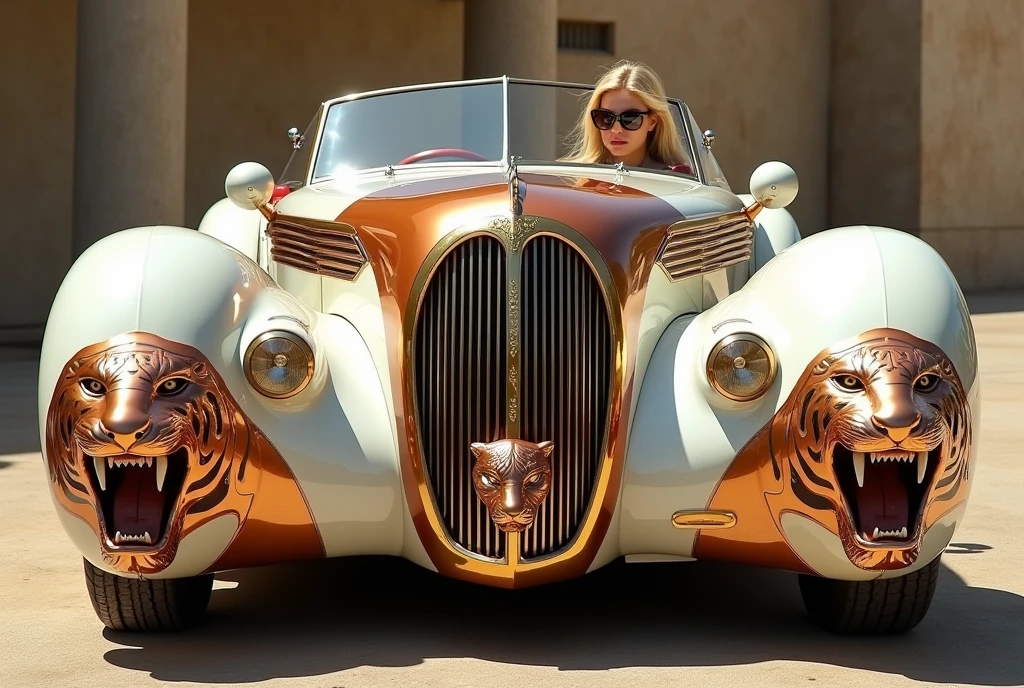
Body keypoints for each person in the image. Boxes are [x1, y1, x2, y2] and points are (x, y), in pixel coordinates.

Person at [562, 60, 693, 173]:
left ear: (653, 122)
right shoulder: (574, 177)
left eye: (630, 119)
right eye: (606, 118)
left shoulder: (677, 179)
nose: (616, 129)